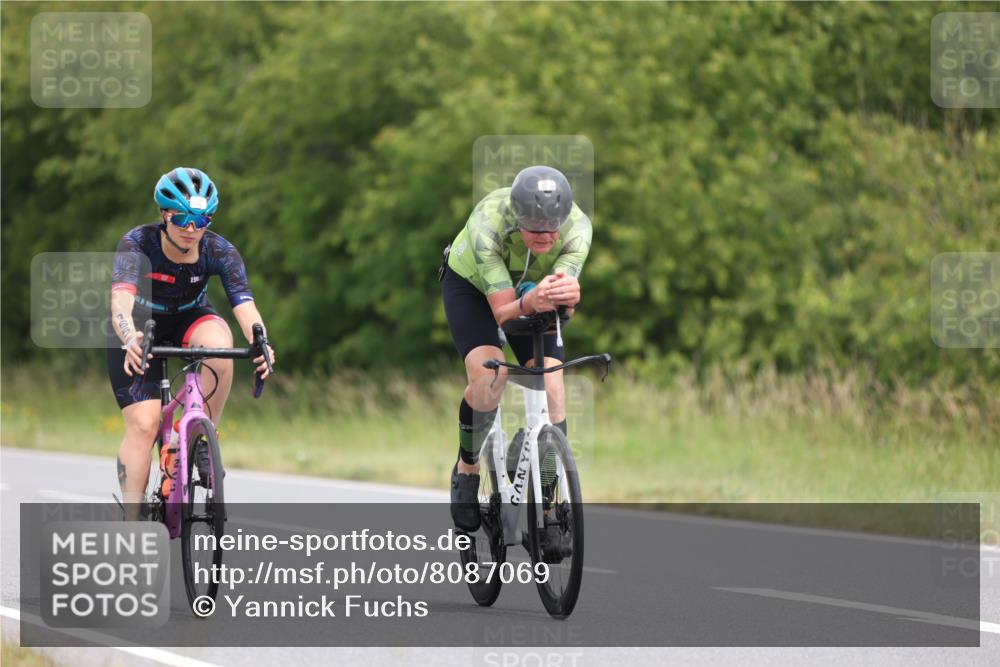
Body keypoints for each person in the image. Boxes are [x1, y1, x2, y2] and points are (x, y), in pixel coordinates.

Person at [108, 167, 275, 518]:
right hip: (139, 324)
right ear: (164, 215)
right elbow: (121, 301)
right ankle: (132, 521)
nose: (191, 229)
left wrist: (260, 341)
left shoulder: (219, 250)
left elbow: (244, 305)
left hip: (189, 315)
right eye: (183, 218)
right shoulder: (137, 243)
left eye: (201, 220)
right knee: (144, 425)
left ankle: (201, 438)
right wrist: (128, 335)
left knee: (220, 346)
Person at [441, 165, 592, 549]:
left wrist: (567, 300)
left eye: (553, 228)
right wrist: (531, 300)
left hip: (530, 288)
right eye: (535, 228)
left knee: (553, 386)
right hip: (474, 290)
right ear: (517, 216)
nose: (546, 236)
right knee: (490, 377)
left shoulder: (578, 228)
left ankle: (549, 503)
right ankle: (467, 468)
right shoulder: (488, 224)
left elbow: (561, 302)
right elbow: (504, 315)